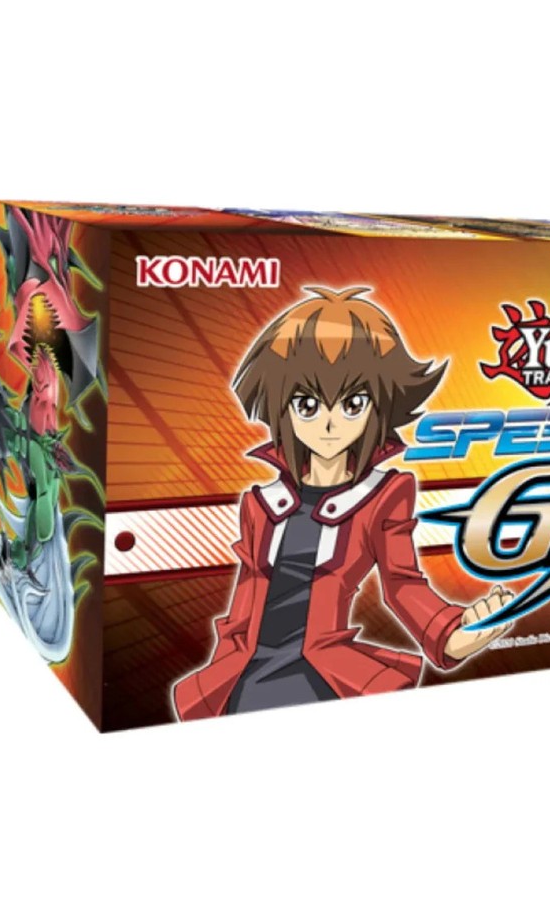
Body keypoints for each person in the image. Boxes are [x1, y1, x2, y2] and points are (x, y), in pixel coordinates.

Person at [173, 286, 513, 719]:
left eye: (353, 403)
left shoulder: (381, 496)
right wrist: (223, 672)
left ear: (379, 406)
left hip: (320, 673)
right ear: (281, 404)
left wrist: (450, 633)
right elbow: (242, 610)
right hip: (246, 676)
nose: (330, 423)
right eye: (307, 404)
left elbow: (402, 584)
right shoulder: (261, 504)